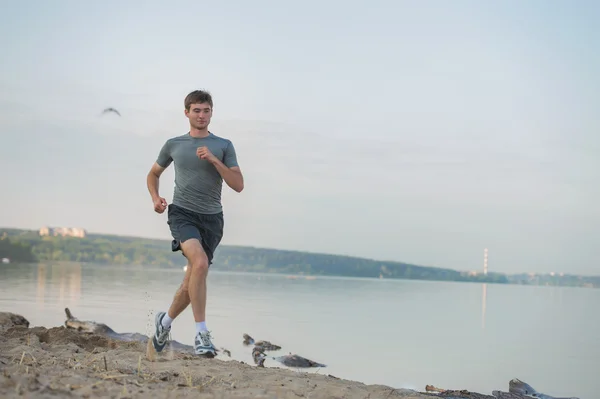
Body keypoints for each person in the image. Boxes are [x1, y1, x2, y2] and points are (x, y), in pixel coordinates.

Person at [146, 89, 244, 356]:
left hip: (212, 220)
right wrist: (155, 197)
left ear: (212, 112)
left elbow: (238, 185)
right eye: (196, 110)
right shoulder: (174, 144)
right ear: (187, 112)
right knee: (199, 263)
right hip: (182, 213)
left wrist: (214, 160)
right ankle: (202, 334)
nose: (201, 115)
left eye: (206, 110)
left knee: (193, 278)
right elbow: (153, 174)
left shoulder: (223, 145)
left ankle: (164, 322)